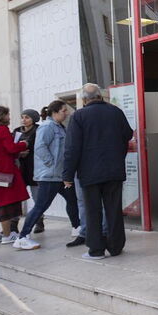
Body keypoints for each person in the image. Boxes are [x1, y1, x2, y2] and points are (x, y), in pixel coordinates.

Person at [62, 83, 134, 260]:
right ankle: (116, 247)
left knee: (93, 211)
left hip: (90, 172)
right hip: (114, 170)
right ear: (100, 96)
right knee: (114, 209)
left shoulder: (79, 116)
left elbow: (72, 148)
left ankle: (96, 250)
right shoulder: (115, 112)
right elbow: (128, 134)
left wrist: (67, 175)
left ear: (85, 99)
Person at [14, 101, 81, 250]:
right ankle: (22, 237)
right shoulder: (47, 126)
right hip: (49, 176)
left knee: (72, 200)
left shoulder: (59, 127)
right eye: (64, 111)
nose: (67, 113)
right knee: (41, 206)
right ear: (55, 112)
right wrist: (52, 164)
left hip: (60, 175)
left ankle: (77, 227)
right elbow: (40, 147)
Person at [0, 105, 30, 245]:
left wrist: (17, 152)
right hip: (5, 169)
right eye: (7, 115)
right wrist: (23, 144)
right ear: (1, 115)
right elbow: (10, 148)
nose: (9, 117)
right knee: (5, 202)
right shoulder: (2, 130)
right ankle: (7, 235)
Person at [12, 109, 43, 234]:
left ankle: (39, 222)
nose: (24, 120)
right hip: (20, 168)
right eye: (22, 117)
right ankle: (14, 224)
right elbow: (11, 147)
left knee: (38, 198)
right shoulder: (16, 131)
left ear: (34, 119)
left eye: (27, 117)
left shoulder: (39, 130)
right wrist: (18, 153)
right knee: (16, 198)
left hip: (35, 168)